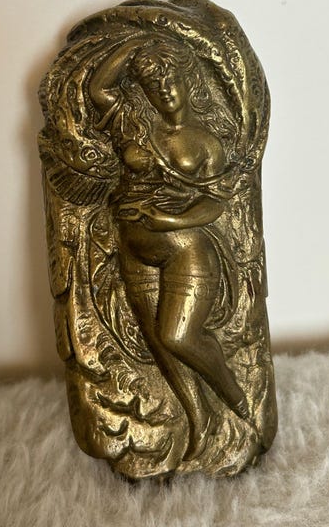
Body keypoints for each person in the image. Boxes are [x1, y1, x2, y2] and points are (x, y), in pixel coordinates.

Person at [89, 36, 248, 460]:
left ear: (187, 80)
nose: (162, 89)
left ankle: (237, 398)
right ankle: (199, 422)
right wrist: (137, 40)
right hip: (133, 247)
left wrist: (171, 221)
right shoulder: (136, 124)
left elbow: (215, 203)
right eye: (151, 83)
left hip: (185, 248)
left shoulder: (206, 143)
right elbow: (99, 89)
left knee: (178, 336)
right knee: (159, 346)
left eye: (168, 78)